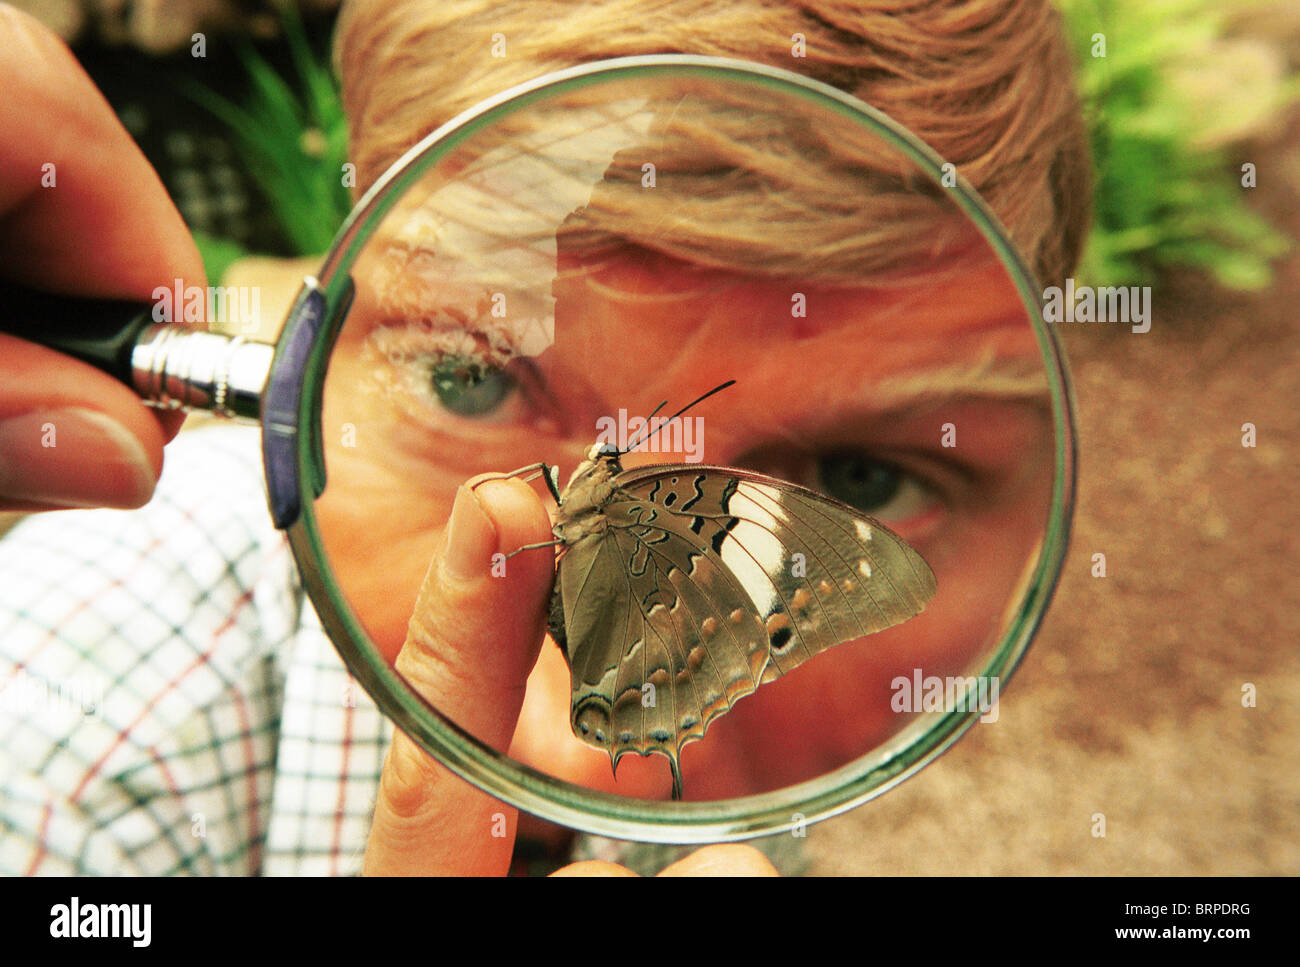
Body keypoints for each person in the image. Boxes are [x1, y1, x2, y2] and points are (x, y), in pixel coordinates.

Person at [0, 0, 1090, 875]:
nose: (590, 770)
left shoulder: (749, 710)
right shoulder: (65, 744)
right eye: (469, 381)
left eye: (860, 475)